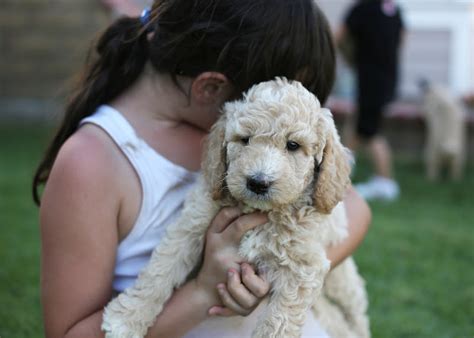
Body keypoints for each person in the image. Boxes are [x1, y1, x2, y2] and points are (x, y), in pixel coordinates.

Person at [32, 0, 371, 337]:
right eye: (266, 91)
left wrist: (280, 270)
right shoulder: (92, 161)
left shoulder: (231, 129)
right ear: (211, 88)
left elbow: (353, 207)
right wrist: (205, 290)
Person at [336, 0, 405, 201]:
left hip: (370, 79)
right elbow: (402, 38)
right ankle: (341, 174)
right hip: (388, 78)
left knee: (369, 131)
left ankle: (385, 182)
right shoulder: (394, 10)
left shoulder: (362, 9)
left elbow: (338, 36)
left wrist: (348, 55)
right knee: (358, 125)